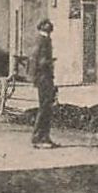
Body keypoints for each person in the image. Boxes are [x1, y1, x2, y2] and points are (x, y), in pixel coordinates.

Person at [30, 20, 57, 148]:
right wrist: (49, 62)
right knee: (45, 107)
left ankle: (44, 136)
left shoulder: (42, 39)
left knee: (47, 107)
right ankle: (38, 137)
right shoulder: (43, 40)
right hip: (44, 77)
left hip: (44, 77)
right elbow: (39, 61)